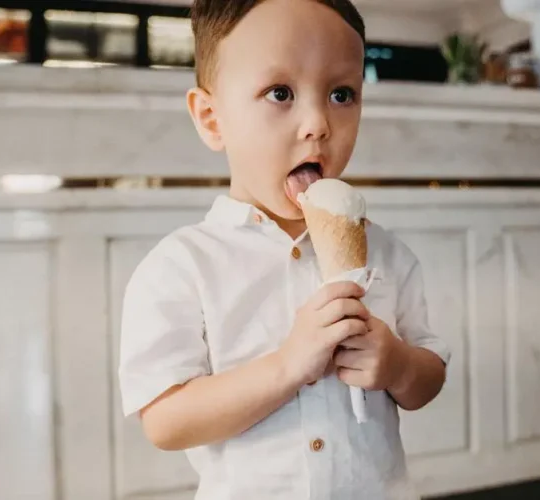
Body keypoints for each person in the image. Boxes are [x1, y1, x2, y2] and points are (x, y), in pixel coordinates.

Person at [118, 1, 451, 498]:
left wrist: (399, 365)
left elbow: (429, 375)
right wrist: (287, 365)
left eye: (342, 94)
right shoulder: (183, 265)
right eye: (280, 93)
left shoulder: (386, 252)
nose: (318, 122)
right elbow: (165, 421)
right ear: (212, 118)